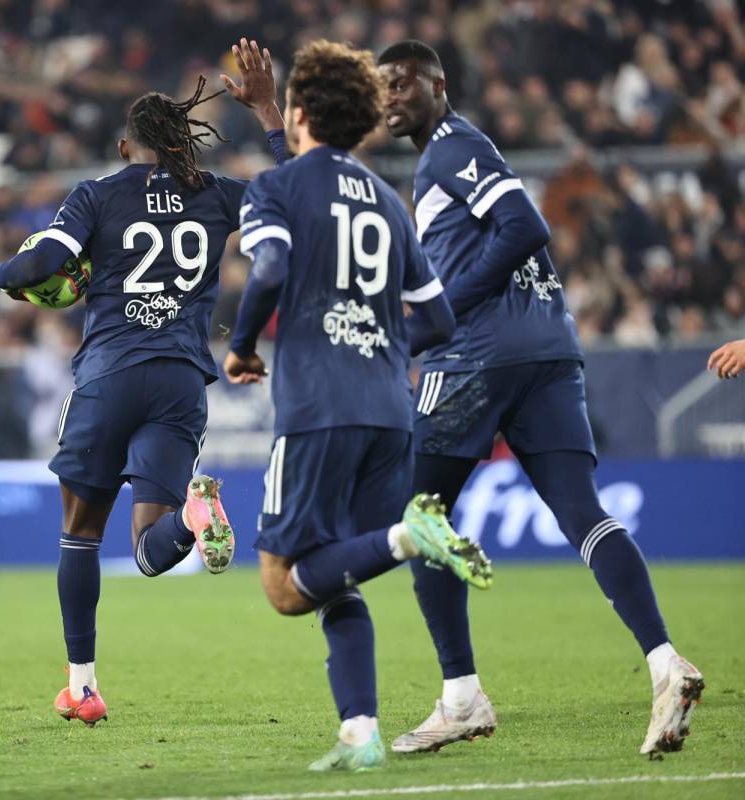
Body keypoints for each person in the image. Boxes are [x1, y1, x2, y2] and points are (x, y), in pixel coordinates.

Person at [376, 39, 703, 758]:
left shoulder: (449, 148)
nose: (389, 97)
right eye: (381, 89)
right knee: (583, 514)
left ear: (437, 81)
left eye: (400, 84)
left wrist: (444, 310)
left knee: (420, 515)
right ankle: (663, 662)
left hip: (478, 358)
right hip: (550, 349)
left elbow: (526, 226)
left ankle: (461, 698)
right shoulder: (457, 153)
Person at [0, 40, 290, 727]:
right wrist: (270, 114)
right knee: (151, 551)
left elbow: (42, 260)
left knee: (80, 535)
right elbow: (298, 194)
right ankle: (193, 513)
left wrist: (6, 278)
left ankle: (84, 686)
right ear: (184, 140)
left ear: (128, 145)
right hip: (181, 380)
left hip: (110, 376)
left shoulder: (98, 194)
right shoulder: (219, 196)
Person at [223, 40, 490, 773]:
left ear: (302, 114)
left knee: (283, 588)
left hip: (316, 408)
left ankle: (412, 537)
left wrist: (244, 344)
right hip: (387, 412)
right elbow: (436, 322)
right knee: (332, 569)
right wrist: (377, 342)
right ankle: (359, 731)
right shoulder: (386, 199)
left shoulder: (274, 189)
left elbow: (271, 264)